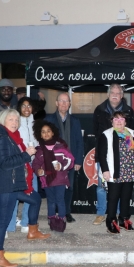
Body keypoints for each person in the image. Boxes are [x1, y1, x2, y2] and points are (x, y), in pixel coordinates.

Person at [0, 109, 50, 267]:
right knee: (3, 220)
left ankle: (32, 231)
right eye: (11, 120)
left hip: (15, 183)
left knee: (35, 199)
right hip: (6, 185)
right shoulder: (1, 138)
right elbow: (4, 163)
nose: (15, 123)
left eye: (17, 120)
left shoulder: (11, 137)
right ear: (2, 120)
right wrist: (26, 155)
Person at [92, 84, 134, 225]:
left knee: (121, 190)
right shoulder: (99, 110)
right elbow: (96, 133)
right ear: (108, 94)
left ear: (122, 95)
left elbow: (132, 146)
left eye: (118, 92)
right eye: (113, 92)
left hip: (123, 162)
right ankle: (101, 213)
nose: (115, 95)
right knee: (102, 186)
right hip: (105, 158)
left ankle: (119, 215)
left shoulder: (129, 111)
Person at [96, 111, 134, 234]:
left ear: (125, 121)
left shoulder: (129, 133)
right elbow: (101, 155)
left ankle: (123, 219)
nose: (119, 121)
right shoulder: (107, 135)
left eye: (122, 119)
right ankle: (111, 221)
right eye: (116, 119)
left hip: (129, 170)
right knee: (113, 198)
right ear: (112, 121)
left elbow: (132, 152)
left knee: (126, 197)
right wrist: (105, 170)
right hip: (114, 171)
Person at [45, 92, 84, 223]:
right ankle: (54, 212)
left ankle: (66, 212)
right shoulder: (48, 120)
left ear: (69, 104)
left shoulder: (75, 121)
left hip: (70, 161)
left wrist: (78, 160)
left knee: (69, 187)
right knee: (53, 187)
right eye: (61, 101)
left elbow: (79, 141)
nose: (63, 104)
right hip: (53, 161)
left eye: (66, 101)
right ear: (56, 103)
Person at [32, 120, 75, 230]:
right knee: (50, 201)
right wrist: (38, 171)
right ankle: (52, 221)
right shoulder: (39, 149)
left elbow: (70, 160)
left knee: (60, 200)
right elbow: (35, 164)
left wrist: (61, 166)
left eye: (48, 131)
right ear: (39, 134)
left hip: (60, 179)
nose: (46, 133)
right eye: (43, 132)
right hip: (47, 180)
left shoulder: (61, 146)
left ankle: (61, 221)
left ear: (53, 132)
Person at [7, 97, 39, 234]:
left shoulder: (36, 123)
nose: (26, 109)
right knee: (16, 192)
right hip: (20, 162)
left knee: (32, 192)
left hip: (33, 161)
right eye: (24, 106)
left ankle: (26, 222)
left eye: (29, 106)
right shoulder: (15, 122)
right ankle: (11, 223)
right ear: (19, 107)